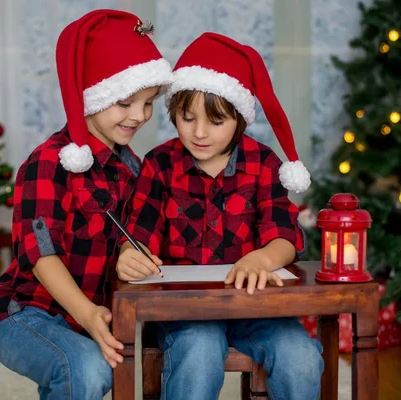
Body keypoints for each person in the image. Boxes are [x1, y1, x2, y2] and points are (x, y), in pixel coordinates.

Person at [116, 32, 322, 400]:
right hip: (185, 310)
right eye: (186, 117)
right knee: (198, 353)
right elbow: (140, 232)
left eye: (215, 121)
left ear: (240, 119)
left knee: (300, 357)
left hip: (256, 306)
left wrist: (262, 258)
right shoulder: (159, 165)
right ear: (173, 112)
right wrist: (132, 256)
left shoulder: (262, 163)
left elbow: (286, 236)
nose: (198, 133)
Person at [0, 9, 172, 400]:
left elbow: (137, 231)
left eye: (148, 103)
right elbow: (41, 255)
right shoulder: (47, 163)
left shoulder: (133, 168)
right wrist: (88, 314)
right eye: (125, 103)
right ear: (92, 94)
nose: (139, 116)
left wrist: (130, 249)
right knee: (85, 368)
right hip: (27, 313)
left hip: (95, 315)